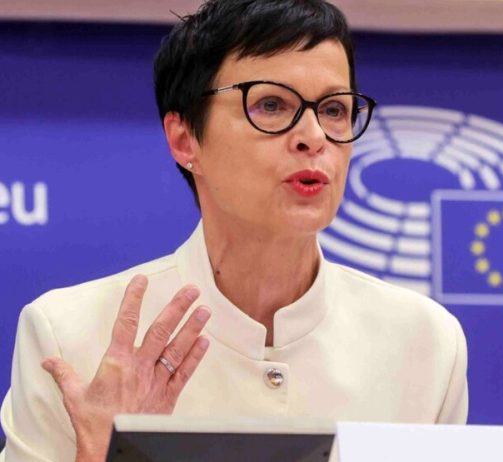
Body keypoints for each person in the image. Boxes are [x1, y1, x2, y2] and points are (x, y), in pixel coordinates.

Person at [0, 0, 468, 461]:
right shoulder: (72, 334)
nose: (314, 137)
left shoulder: (425, 343)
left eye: (333, 109)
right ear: (185, 139)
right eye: (271, 104)